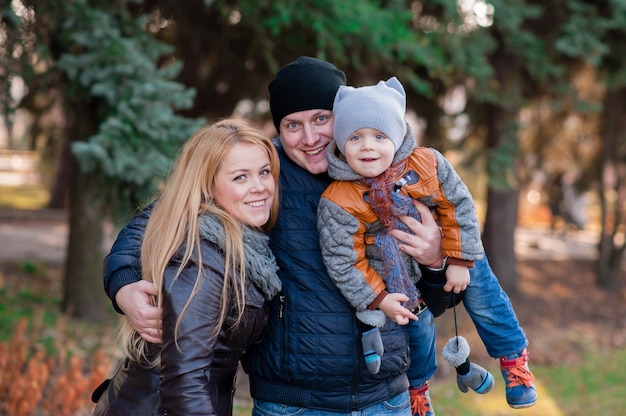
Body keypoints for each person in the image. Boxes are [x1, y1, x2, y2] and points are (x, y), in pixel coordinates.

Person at [102, 57, 445, 416]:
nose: (310, 138)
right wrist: (123, 283)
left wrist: (435, 259)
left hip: (388, 399)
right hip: (291, 404)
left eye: (321, 119)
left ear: (342, 118)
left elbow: (435, 303)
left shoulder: (392, 178)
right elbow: (159, 219)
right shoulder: (262, 175)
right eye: (292, 124)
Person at [318, 76, 536, 411]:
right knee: (414, 331)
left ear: (397, 135)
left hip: (448, 248)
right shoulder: (339, 198)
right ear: (341, 143)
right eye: (355, 137)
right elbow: (343, 258)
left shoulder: (426, 163)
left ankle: (514, 363)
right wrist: (378, 296)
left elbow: (458, 205)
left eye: (379, 135)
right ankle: (417, 392)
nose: (367, 146)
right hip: (394, 275)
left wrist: (459, 261)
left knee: (483, 288)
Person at [92, 118, 282, 415]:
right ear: (207, 186)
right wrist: (123, 281)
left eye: (264, 172)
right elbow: (184, 381)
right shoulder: (201, 258)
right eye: (240, 177)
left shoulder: (242, 240)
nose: (259, 187)